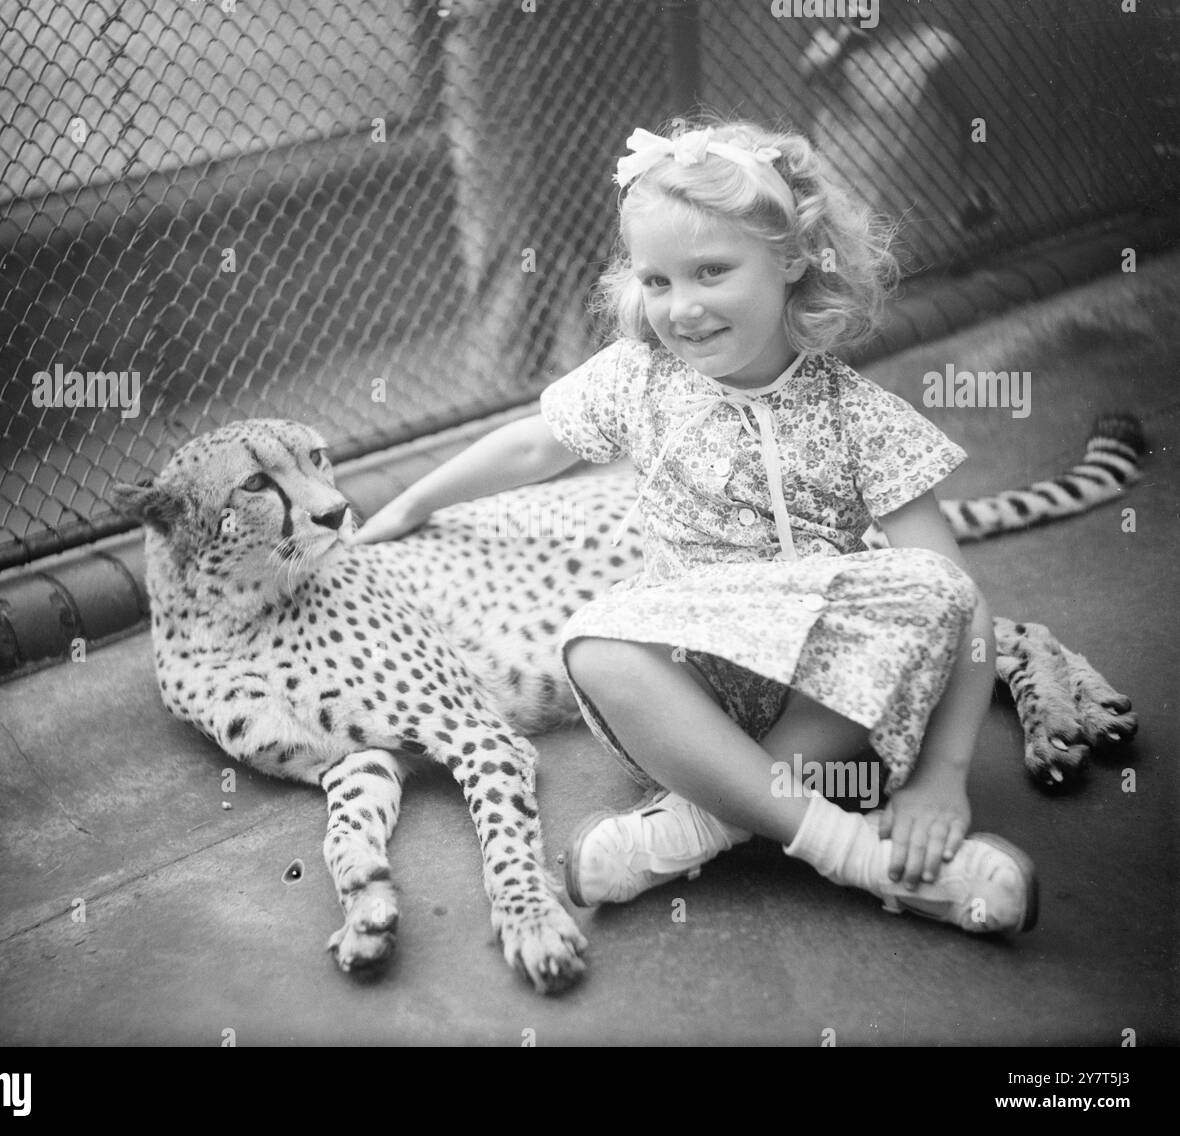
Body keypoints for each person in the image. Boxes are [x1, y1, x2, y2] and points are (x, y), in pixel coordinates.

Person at [354, 119, 1037, 935]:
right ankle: (853, 852)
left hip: (833, 708)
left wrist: (942, 775)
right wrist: (414, 502)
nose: (682, 307)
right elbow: (534, 443)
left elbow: (958, 604)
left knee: (933, 583)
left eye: (711, 271)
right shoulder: (641, 378)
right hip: (687, 699)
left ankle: (705, 821)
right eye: (656, 280)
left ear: (791, 259)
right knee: (594, 644)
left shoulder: (860, 416)